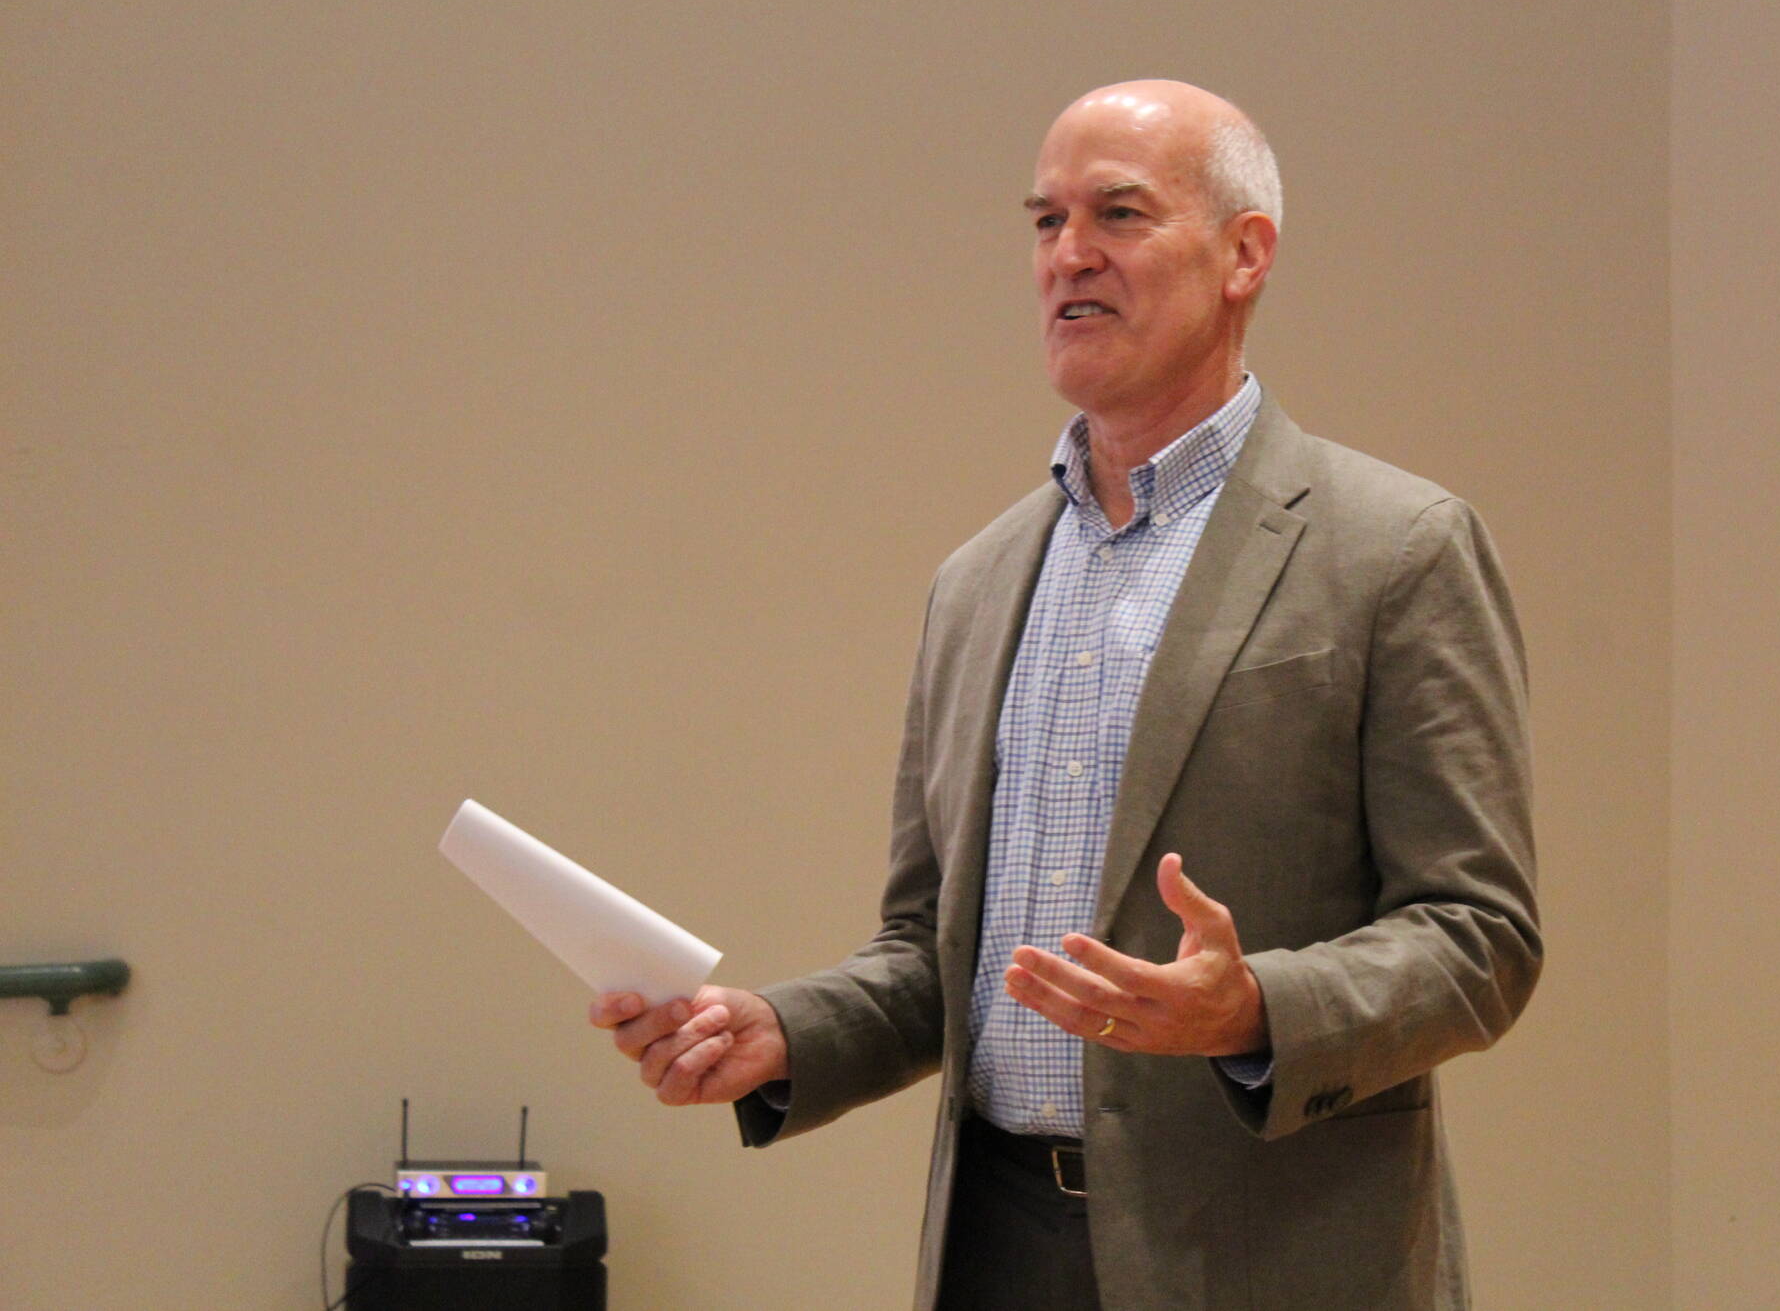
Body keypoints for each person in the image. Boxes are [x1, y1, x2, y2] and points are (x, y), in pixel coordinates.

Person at [591, 79, 1540, 1311]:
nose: (1068, 255)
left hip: (1271, 1259)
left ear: (1244, 254)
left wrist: (1255, 1008)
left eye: (1118, 214)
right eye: (1045, 221)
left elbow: (1478, 938)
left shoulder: (1393, 549)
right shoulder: (977, 583)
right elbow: (934, 952)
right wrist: (785, 1034)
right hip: (996, 1247)